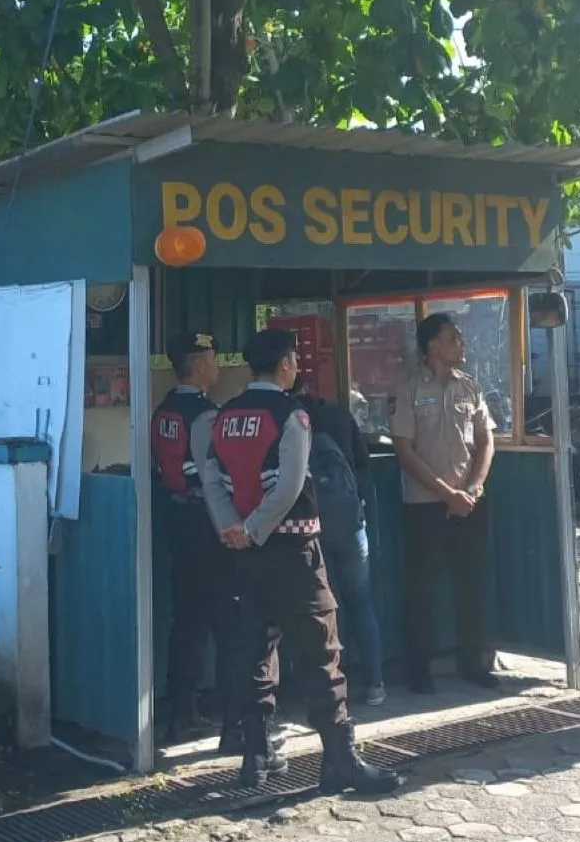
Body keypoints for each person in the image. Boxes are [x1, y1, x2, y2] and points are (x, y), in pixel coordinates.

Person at [197, 330, 401, 795]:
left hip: (246, 556)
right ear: (286, 364)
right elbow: (290, 485)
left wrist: (234, 528)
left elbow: (212, 478)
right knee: (321, 651)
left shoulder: (225, 416)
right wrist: (256, 527)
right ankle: (340, 759)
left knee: (255, 650)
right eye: (293, 361)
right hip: (294, 551)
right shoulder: (291, 415)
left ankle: (256, 756)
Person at [390, 313, 499, 694]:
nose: (461, 344)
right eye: (454, 338)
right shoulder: (408, 390)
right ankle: (419, 669)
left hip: (469, 502)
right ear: (433, 345)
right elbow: (404, 451)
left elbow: (486, 441)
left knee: (472, 583)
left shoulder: (469, 386)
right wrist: (445, 493)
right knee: (422, 588)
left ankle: (474, 662)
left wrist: (474, 487)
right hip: (425, 505)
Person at [150, 331, 243, 749]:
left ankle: (181, 712)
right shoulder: (206, 415)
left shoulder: (164, 411)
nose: (217, 365)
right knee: (227, 621)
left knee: (186, 621)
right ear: (199, 364)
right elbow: (216, 475)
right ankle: (233, 721)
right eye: (213, 358)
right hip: (208, 524)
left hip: (177, 520)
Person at [296, 381, 386, 708]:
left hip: (312, 528)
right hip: (350, 524)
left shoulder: (290, 421)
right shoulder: (340, 416)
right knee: (361, 604)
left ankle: (332, 687)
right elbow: (363, 464)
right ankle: (375, 683)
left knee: (323, 610)